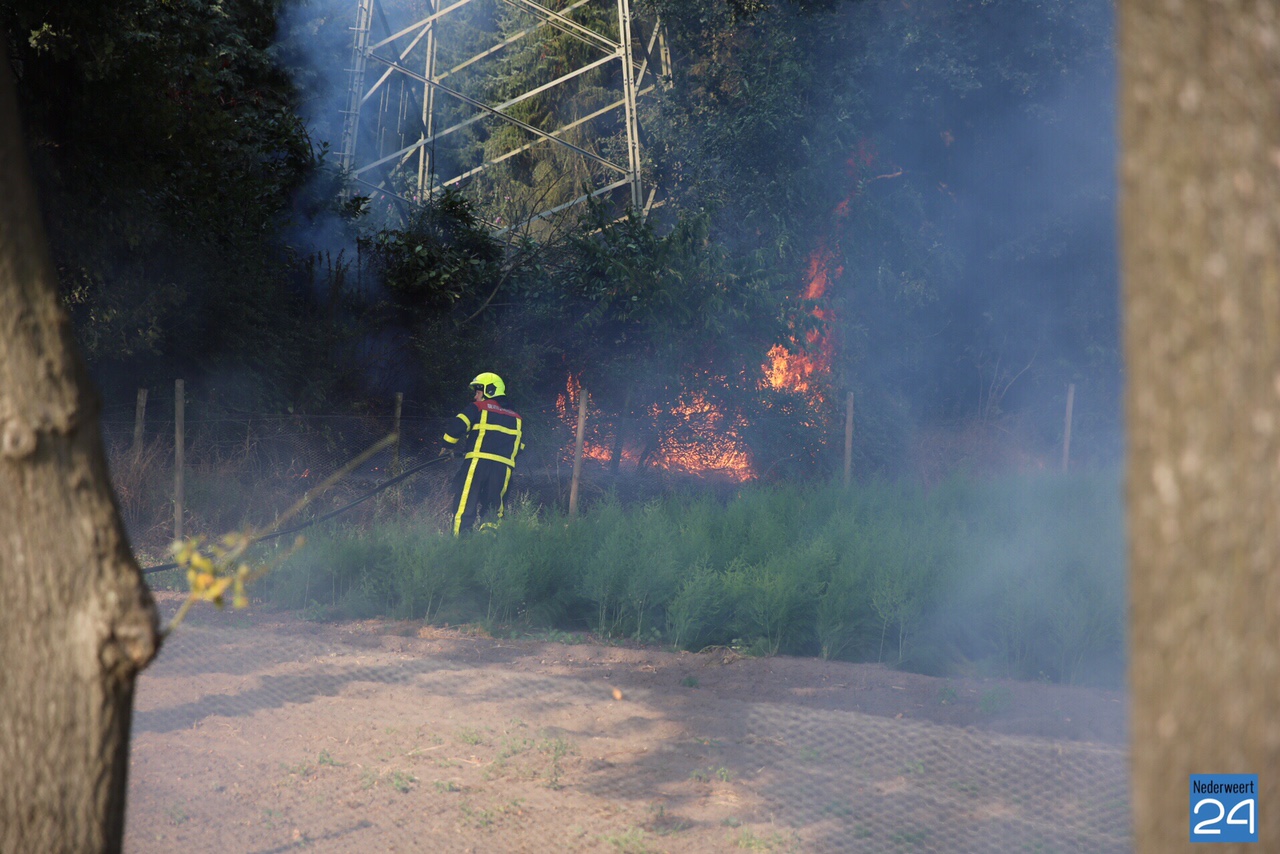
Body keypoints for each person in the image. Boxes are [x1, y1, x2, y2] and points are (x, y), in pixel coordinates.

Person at [441, 372, 524, 535]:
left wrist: (447, 447)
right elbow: (520, 446)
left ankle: (460, 542)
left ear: (489, 390)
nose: (475, 396)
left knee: (465, 504)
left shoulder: (478, 407)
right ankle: (488, 543)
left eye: (478, 392)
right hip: (503, 469)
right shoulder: (517, 417)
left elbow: (456, 426)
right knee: (493, 509)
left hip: (477, 464)